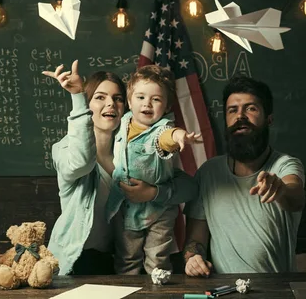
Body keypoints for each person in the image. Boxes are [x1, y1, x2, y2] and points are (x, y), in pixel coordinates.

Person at [43, 60, 198, 276]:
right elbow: (81, 161)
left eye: (117, 98)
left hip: (118, 260)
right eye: (99, 97)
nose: (110, 104)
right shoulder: (65, 148)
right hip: (78, 261)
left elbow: (189, 187)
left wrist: (153, 193)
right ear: (87, 105)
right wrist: (78, 96)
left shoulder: (134, 147)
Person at [183, 75, 306, 276]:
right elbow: (195, 241)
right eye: (233, 110)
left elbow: (296, 198)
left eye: (251, 108)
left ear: (269, 119)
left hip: (277, 290)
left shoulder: (285, 165)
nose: (240, 116)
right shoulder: (208, 173)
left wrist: (280, 189)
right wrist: (193, 258)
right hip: (225, 291)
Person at [105, 65, 201, 275]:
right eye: (140, 97)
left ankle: (158, 290)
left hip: (159, 210)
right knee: (127, 258)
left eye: (156, 99)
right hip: (126, 205)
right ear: (129, 102)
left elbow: (168, 137)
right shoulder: (123, 122)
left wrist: (180, 137)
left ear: (166, 106)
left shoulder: (161, 129)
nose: (147, 103)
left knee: (157, 259)